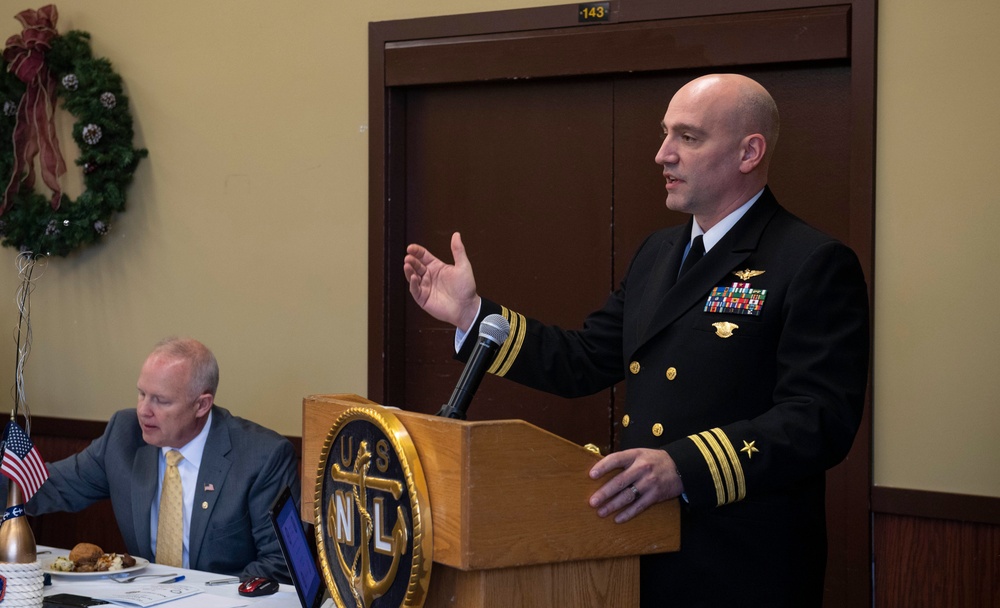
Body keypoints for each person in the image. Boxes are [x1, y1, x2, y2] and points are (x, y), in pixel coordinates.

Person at [402, 74, 870, 606]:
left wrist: (683, 465)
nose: (662, 154)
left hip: (741, 561)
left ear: (749, 152)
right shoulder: (658, 253)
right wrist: (471, 314)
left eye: (687, 138)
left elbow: (818, 420)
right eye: (665, 134)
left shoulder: (809, 261)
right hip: (640, 546)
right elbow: (586, 358)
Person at [14, 337, 300, 582]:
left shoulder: (261, 456)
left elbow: (281, 565)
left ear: (202, 404)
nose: (143, 411)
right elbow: (45, 487)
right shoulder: (123, 435)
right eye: (141, 394)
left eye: (161, 401)